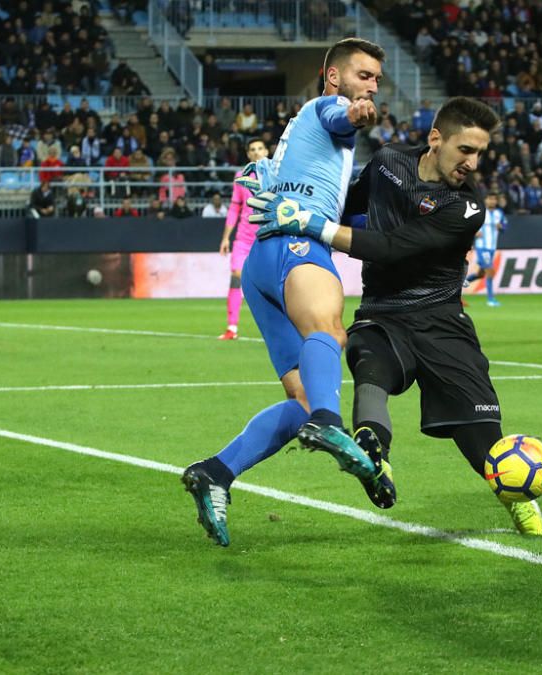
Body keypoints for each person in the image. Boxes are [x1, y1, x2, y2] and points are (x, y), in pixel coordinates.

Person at [249, 98, 542, 536]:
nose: (473, 163)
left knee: (480, 439)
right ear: (435, 138)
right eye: (465, 150)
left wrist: (311, 225)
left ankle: (513, 494)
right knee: (369, 360)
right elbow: (349, 207)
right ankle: (374, 454)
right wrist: (296, 198)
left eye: (480, 153)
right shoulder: (387, 162)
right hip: (383, 312)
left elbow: (392, 246)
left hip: (442, 321)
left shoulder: (466, 208)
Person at [181, 38, 386, 547]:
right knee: (329, 330)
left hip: (262, 265)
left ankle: (216, 472)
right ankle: (329, 423)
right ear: (333, 76)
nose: (373, 86)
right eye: (363, 76)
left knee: (298, 398)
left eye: (377, 80)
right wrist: (359, 111)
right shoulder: (329, 107)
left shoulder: (301, 132)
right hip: (297, 246)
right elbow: (345, 116)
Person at [217, 137, 268, 341]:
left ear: (266, 151)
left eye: (260, 148)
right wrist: (225, 238)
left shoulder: (276, 174)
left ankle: (278, 325)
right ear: (248, 154)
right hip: (243, 238)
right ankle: (232, 327)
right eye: (252, 149)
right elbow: (234, 207)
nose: (256, 152)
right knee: (236, 275)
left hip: (267, 237)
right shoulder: (241, 177)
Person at [464, 192, 507, 307]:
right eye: (490, 199)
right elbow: (468, 224)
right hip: (482, 247)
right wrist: (474, 232)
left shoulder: (499, 213)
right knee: (490, 271)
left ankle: (463, 281)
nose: (492, 201)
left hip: (492, 248)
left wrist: (501, 227)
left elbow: (505, 226)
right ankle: (491, 300)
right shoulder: (480, 212)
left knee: (481, 274)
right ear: (485, 200)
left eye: (494, 199)